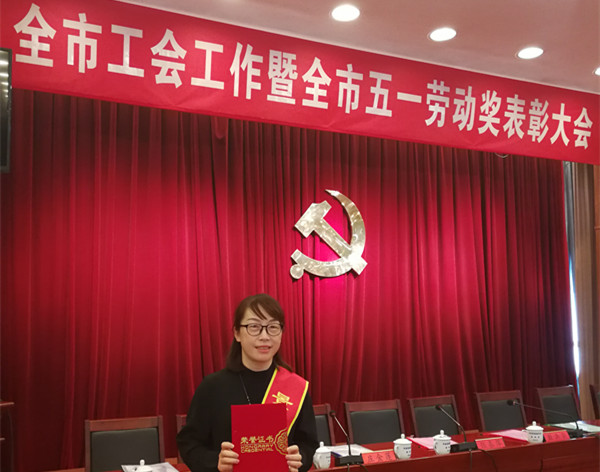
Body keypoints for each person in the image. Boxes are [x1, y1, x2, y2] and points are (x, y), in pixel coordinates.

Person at [177, 294, 318, 472]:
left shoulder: (296, 386)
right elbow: (189, 443)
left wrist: (300, 458)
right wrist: (215, 462)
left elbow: (308, 443)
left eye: (273, 327)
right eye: (254, 327)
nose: (264, 336)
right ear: (237, 333)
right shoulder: (212, 387)